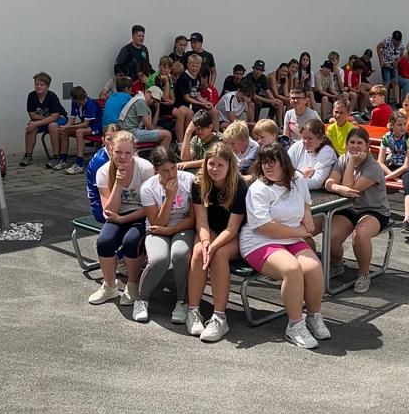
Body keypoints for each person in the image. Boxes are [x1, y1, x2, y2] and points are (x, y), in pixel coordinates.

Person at [239, 141, 327, 348]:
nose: (267, 166)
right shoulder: (259, 189)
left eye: (272, 162)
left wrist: (307, 215)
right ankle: (295, 325)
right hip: (259, 241)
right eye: (264, 162)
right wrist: (299, 233)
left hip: (290, 238)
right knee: (292, 269)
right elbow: (264, 227)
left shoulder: (297, 179)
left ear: (284, 163)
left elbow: (306, 200)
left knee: (314, 267)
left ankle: (313, 316)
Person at [184, 142, 245, 343]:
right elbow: (201, 221)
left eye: (220, 165)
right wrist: (205, 242)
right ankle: (193, 310)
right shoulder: (198, 183)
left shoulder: (238, 186)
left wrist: (214, 246)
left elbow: (232, 228)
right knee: (199, 252)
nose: (215, 169)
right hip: (209, 229)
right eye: (211, 164)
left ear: (229, 166)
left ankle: (219, 317)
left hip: (234, 233)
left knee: (218, 255)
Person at [88, 130, 154, 307]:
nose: (123, 157)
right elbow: (109, 210)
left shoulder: (145, 168)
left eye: (127, 152)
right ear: (111, 149)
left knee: (131, 241)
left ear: (134, 152)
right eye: (118, 152)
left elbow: (151, 207)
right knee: (104, 242)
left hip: (142, 213)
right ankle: (109, 285)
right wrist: (117, 183)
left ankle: (132, 284)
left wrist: (123, 220)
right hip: (118, 213)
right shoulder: (103, 172)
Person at [132, 147, 196, 326]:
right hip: (157, 228)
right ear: (156, 170)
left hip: (183, 227)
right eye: (165, 171)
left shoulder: (189, 180)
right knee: (159, 259)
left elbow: (193, 219)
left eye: (173, 168)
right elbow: (157, 223)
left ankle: (182, 301)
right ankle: (142, 299)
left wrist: (170, 230)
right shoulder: (148, 188)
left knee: (180, 254)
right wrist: (169, 198)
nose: (171, 174)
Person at [324, 126, 391, 294]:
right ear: (347, 144)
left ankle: (363, 274)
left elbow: (351, 188)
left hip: (374, 210)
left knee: (360, 235)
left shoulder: (373, 167)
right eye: (352, 142)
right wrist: (339, 188)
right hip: (349, 209)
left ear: (367, 146)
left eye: (359, 143)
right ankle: (337, 264)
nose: (355, 146)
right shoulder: (342, 159)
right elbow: (329, 183)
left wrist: (351, 163)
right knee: (331, 235)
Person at [376, 112, 409, 229]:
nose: (403, 127)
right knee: (373, 179)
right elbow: (380, 162)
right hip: (393, 166)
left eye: (404, 124)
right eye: (399, 125)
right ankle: (377, 211)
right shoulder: (386, 137)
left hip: (408, 169)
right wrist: (394, 178)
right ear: (391, 125)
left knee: (408, 185)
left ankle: (407, 220)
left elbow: (407, 165)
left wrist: (386, 177)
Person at [20, 72, 66, 167]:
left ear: (47, 87)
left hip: (60, 119)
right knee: (31, 126)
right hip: (46, 120)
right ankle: (28, 156)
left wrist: (38, 122)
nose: (39, 87)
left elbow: (55, 116)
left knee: (52, 125)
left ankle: (57, 157)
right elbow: (32, 115)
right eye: (37, 84)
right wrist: (46, 119)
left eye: (42, 85)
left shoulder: (52, 96)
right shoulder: (32, 96)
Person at [55, 86, 101, 173]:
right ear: (74, 99)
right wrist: (65, 127)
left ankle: (79, 164)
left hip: (96, 127)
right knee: (65, 131)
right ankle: (63, 160)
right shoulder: (74, 103)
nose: (82, 102)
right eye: (79, 101)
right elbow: (71, 121)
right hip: (85, 125)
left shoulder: (91, 103)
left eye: (83, 100)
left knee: (79, 132)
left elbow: (85, 124)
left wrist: (68, 127)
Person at [290, 117, 338, 191]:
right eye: (304, 138)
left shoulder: (327, 152)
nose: (306, 141)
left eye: (310, 138)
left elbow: (316, 182)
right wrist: (301, 174)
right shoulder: (298, 145)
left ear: (320, 139)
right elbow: (283, 169)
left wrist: (290, 181)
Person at [120, 84, 172, 149]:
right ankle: (160, 155)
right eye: (151, 97)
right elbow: (150, 128)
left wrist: (157, 110)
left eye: (155, 101)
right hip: (130, 132)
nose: (152, 101)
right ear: (147, 92)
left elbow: (152, 126)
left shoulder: (138, 98)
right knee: (167, 134)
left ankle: (156, 153)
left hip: (128, 131)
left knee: (161, 130)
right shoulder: (141, 102)